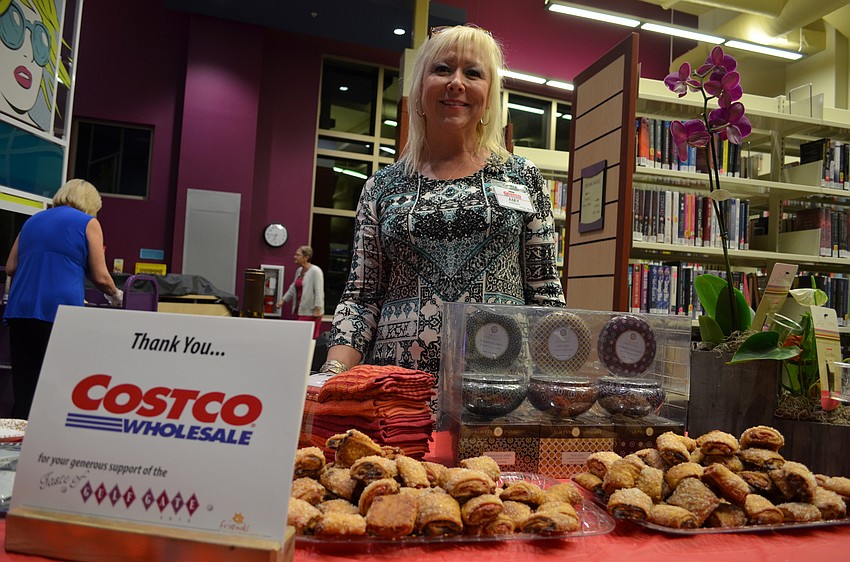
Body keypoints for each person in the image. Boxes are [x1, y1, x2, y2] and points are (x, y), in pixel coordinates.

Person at [321, 25, 565, 413]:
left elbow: (545, 295)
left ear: (490, 95)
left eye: (473, 73)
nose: (456, 83)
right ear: (420, 88)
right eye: (442, 69)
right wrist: (331, 375)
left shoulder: (522, 177)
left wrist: (554, 394)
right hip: (398, 397)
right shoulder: (381, 186)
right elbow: (361, 298)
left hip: (499, 392)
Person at [3, 178, 122, 419]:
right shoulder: (89, 223)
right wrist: (116, 295)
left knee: (25, 385)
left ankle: (20, 436)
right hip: (59, 312)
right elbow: (100, 276)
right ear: (91, 203)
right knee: (57, 384)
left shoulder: (33, 220)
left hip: (20, 309)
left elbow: (11, 267)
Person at [278, 245, 325, 339]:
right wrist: (283, 300)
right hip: (301, 310)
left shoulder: (315, 271)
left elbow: (319, 291)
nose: (295, 257)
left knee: (308, 338)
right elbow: (293, 287)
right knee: (300, 337)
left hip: (312, 313)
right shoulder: (299, 271)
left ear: (306, 257)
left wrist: (318, 309)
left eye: (298, 255)